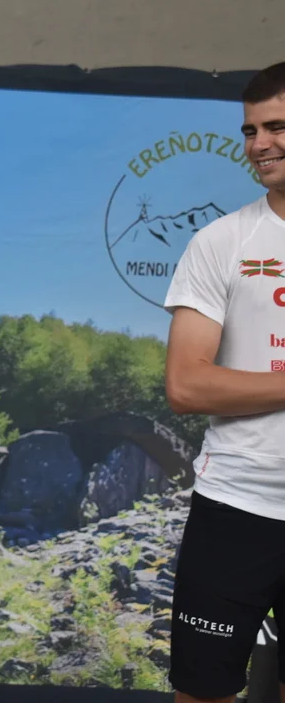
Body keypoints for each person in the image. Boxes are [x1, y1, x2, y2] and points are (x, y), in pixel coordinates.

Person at [163, 61, 285, 703]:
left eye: (278, 127)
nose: (260, 144)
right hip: (238, 505)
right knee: (202, 693)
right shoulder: (221, 241)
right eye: (250, 130)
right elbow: (187, 386)